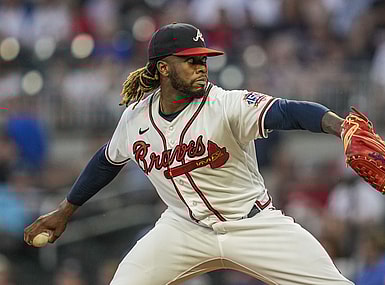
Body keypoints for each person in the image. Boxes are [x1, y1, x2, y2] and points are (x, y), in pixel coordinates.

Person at [24, 23, 354, 285]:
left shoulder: (226, 104)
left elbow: (287, 111)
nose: (201, 67)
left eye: (203, 59)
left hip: (253, 224)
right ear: (164, 68)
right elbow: (106, 161)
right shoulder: (136, 117)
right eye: (191, 60)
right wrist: (65, 210)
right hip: (183, 229)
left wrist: (340, 127)